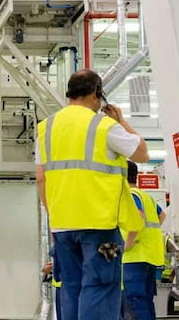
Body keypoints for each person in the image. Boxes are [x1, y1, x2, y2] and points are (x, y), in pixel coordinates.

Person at [35, 69, 149, 319]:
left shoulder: (46, 128)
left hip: (63, 226)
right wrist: (121, 122)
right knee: (101, 285)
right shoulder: (104, 126)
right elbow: (142, 154)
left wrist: (54, 219)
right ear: (96, 92)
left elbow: (41, 178)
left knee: (71, 287)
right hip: (100, 225)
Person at [122, 161, 165, 320]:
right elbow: (162, 215)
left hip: (135, 257)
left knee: (135, 301)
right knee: (145, 300)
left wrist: (128, 242)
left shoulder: (130, 195)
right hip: (149, 255)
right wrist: (146, 234)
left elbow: (138, 215)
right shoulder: (146, 196)